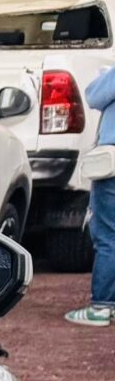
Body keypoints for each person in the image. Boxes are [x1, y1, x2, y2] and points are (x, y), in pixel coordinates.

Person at [68, 65, 115, 323]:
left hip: (112, 164)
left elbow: (94, 95)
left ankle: (102, 306)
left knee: (108, 235)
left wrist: (105, 74)